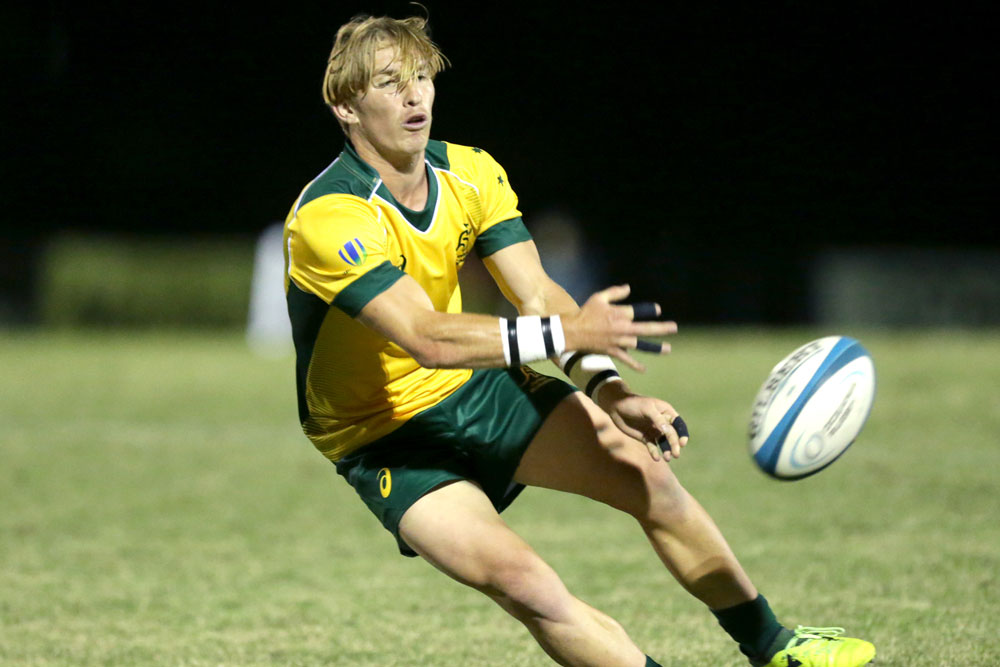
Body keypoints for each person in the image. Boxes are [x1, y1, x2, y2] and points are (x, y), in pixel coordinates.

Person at [282, 12, 876, 667]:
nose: (414, 95)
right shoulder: (329, 217)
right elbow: (426, 337)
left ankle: (774, 644)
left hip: (477, 387)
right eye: (390, 83)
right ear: (346, 106)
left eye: (421, 76)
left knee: (649, 476)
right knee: (525, 583)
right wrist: (567, 330)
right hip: (382, 433)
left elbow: (539, 296)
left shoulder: (472, 174)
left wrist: (610, 388)